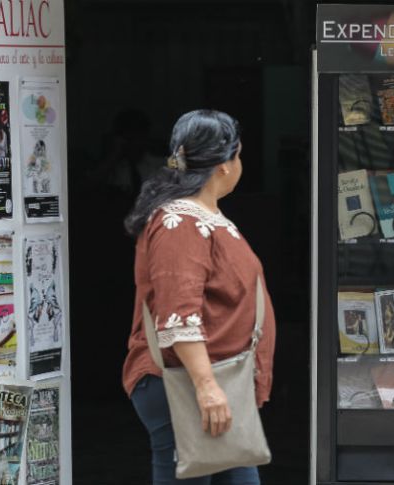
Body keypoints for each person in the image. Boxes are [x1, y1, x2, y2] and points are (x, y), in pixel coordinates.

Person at [121, 109, 276, 485]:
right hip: (188, 386)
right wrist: (207, 388)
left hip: (216, 385)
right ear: (225, 164)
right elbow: (179, 314)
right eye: (238, 154)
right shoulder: (180, 223)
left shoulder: (202, 215)